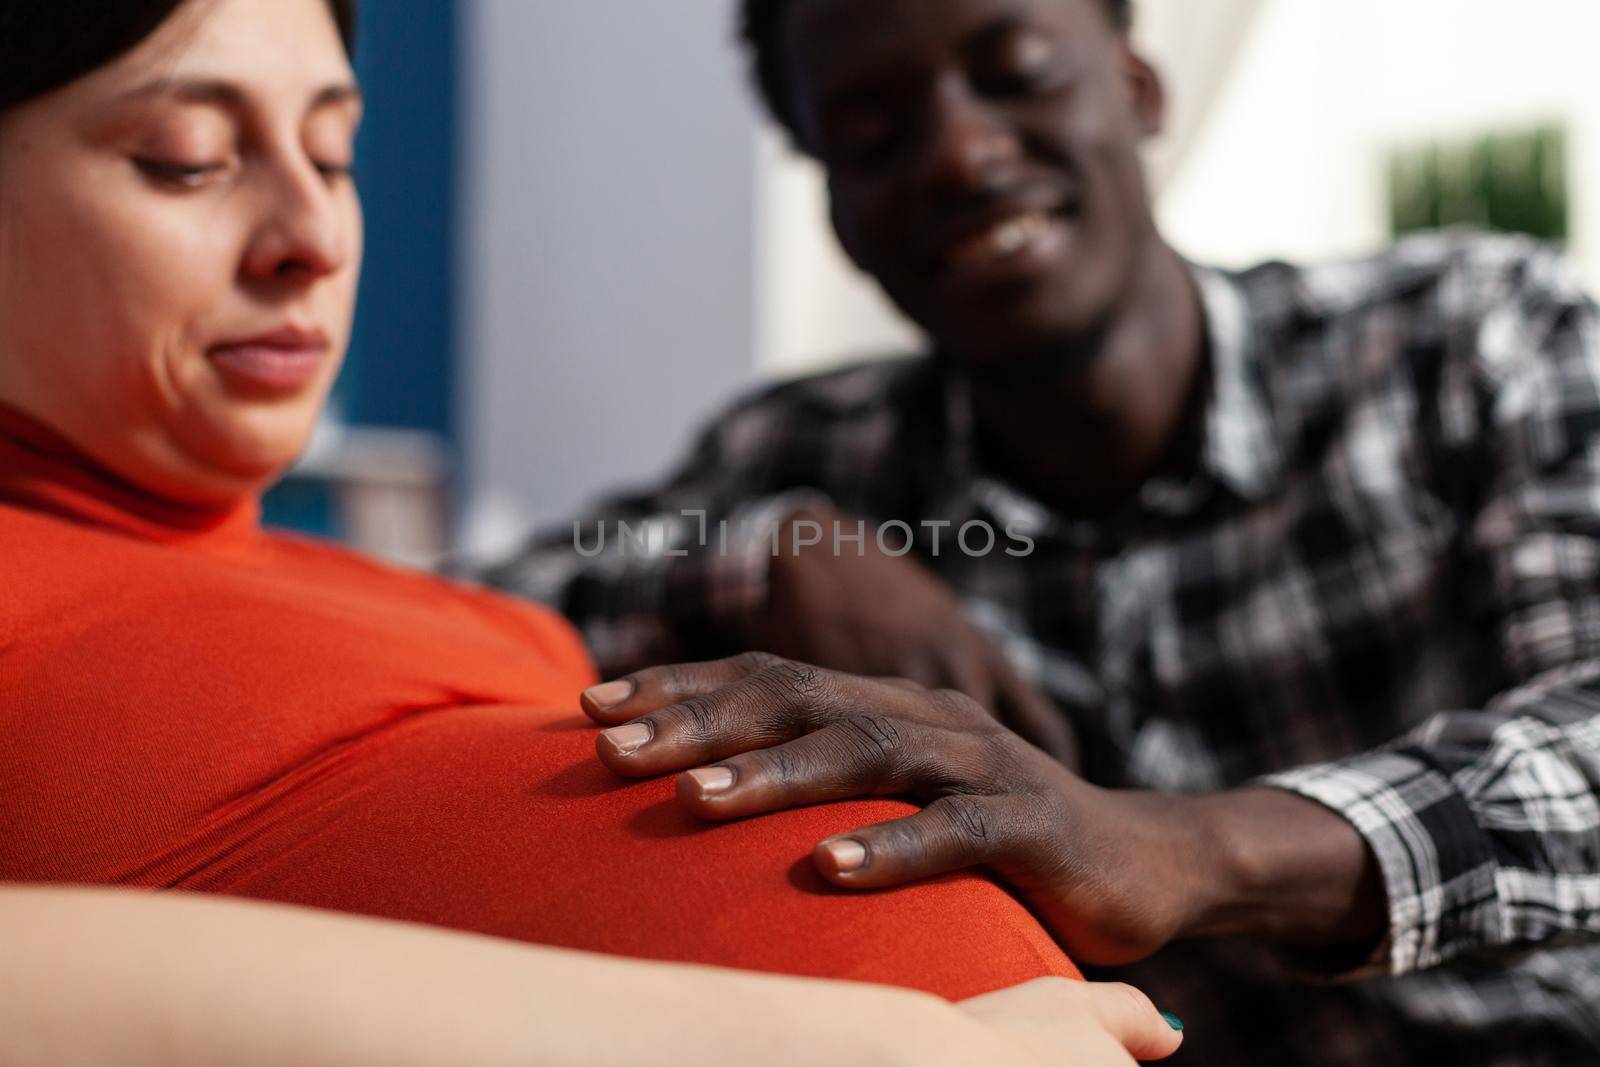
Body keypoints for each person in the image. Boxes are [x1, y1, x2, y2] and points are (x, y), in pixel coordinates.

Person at [0, 2, 1185, 1063]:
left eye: (334, 151)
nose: (311, 232)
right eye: (187, 161)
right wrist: (860, 1041)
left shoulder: (458, 610)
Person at [486, 0, 1600, 1063]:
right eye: (874, 132)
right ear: (834, 207)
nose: (961, 157)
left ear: (1139, 87)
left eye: (1015, 73)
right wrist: (769, 553)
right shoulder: (808, 454)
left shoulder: (1473, 341)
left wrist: (1176, 846)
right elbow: (479, 602)